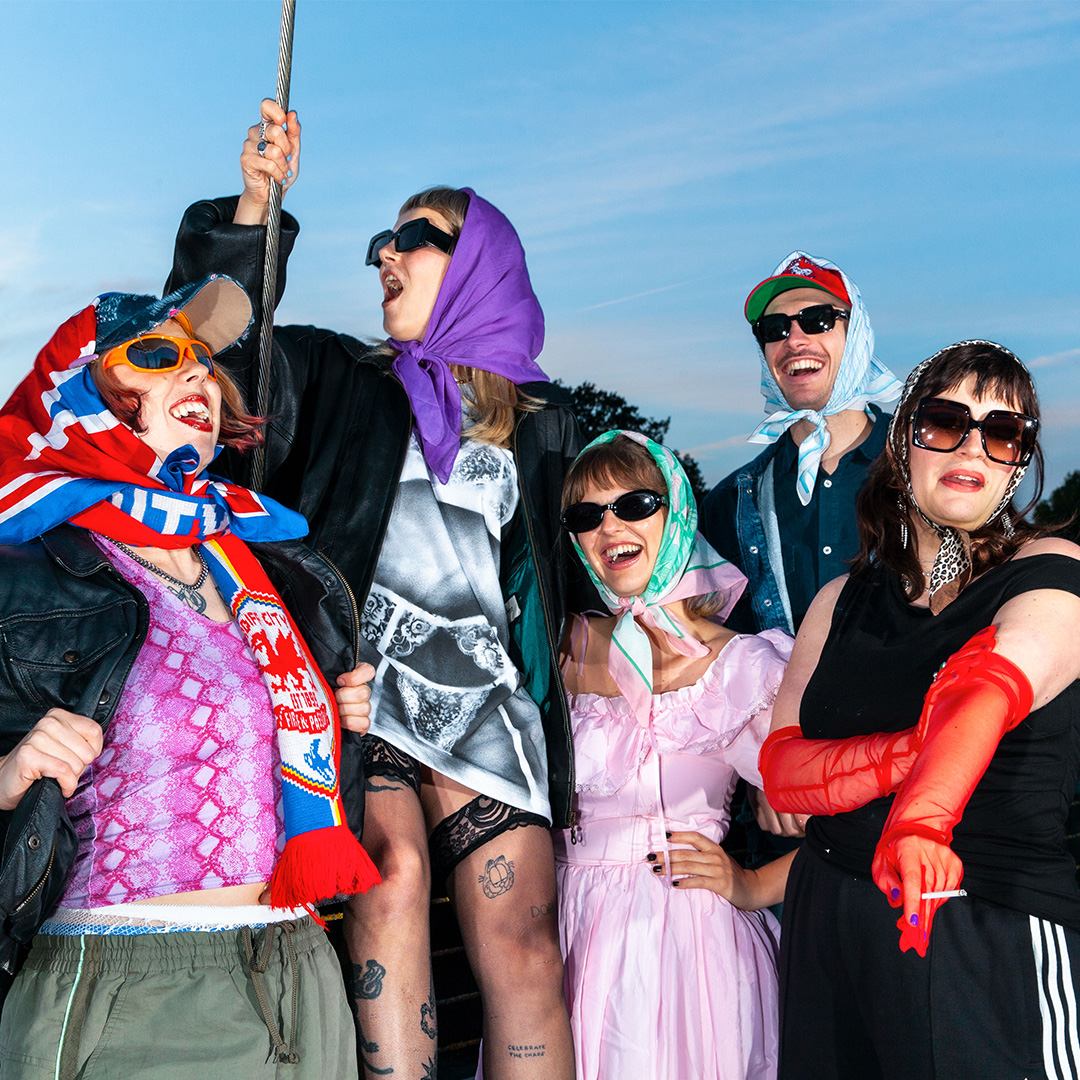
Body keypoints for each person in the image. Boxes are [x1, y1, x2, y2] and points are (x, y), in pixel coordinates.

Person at [166, 101, 580, 1078]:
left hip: (486, 706)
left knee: (523, 945)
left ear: (478, 262)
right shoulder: (336, 376)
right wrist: (255, 209)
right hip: (360, 696)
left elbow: (575, 573)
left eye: (415, 239)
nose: (385, 255)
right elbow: (215, 348)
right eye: (379, 245)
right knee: (389, 886)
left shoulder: (542, 421)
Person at [0, 276, 381, 1078]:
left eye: (205, 361)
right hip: (131, 988)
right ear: (79, 390)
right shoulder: (25, 565)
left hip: (297, 968)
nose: (199, 374)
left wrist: (337, 715)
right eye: (156, 355)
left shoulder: (264, 563)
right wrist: (6, 775)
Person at [759, 341, 1080, 1078]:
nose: (973, 446)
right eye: (945, 422)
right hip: (829, 919)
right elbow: (783, 772)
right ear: (903, 440)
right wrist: (914, 751)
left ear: (1018, 463)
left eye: (1003, 432)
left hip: (979, 920)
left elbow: (985, 686)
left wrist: (919, 823)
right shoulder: (840, 599)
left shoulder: (1051, 570)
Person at [555, 430, 793, 1079]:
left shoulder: (745, 666)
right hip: (567, 940)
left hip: (691, 953)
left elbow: (857, 824)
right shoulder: (560, 648)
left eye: (634, 504)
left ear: (678, 513)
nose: (609, 526)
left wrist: (752, 885)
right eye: (586, 514)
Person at [702, 252, 902, 637]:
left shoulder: (931, 468)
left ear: (856, 334)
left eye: (817, 319)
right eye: (774, 328)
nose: (794, 340)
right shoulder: (728, 506)